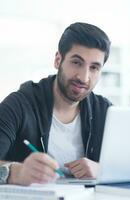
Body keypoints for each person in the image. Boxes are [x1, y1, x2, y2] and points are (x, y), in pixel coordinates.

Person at [0, 22, 112, 186]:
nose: (84, 77)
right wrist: (15, 172)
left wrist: (102, 170)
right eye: (76, 62)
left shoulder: (106, 112)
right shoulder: (19, 105)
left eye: (94, 67)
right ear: (58, 60)